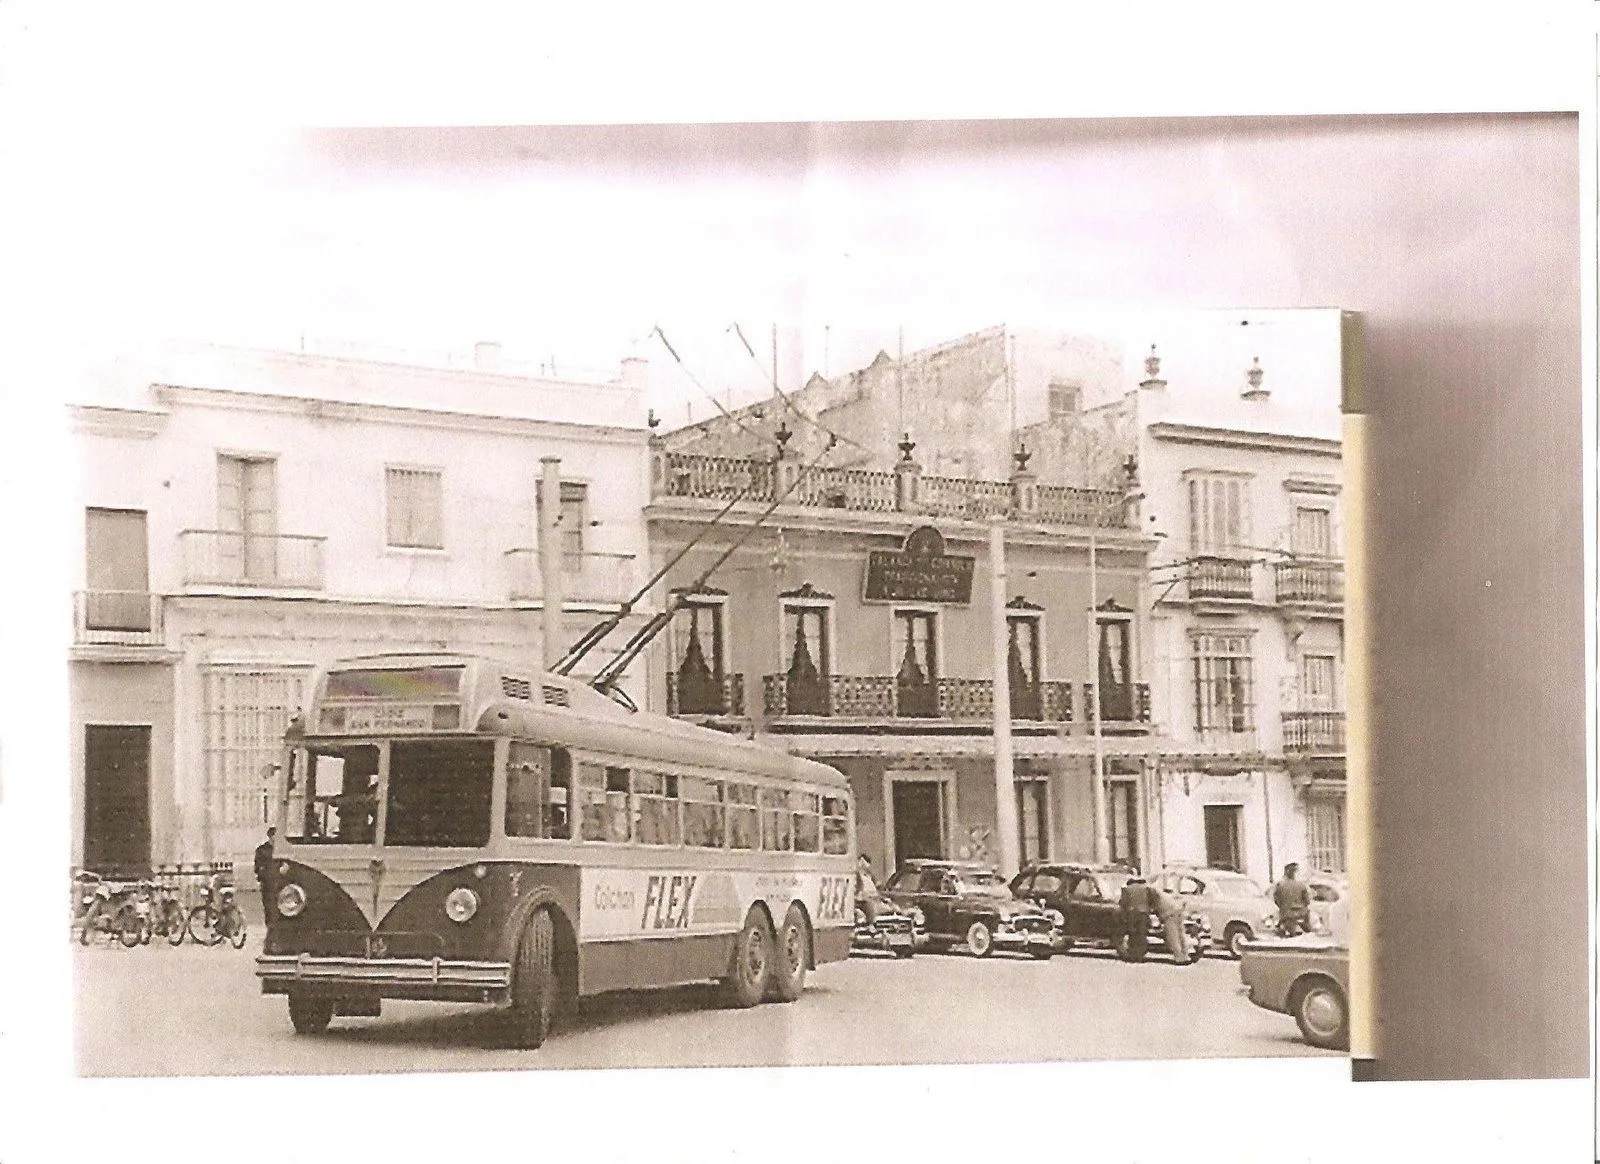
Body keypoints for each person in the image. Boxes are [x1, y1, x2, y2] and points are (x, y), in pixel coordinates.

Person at [1117, 874, 1155, 960]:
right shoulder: (1146, 889)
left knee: (1133, 933)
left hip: (1132, 913)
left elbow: (1123, 902)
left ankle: (1133, 954)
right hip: (1144, 913)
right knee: (1141, 934)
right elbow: (1151, 901)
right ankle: (1140, 954)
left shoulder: (1126, 889)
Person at [1150, 882, 1191, 963]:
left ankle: (1179, 957)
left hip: (1169, 915)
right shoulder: (1164, 895)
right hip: (1178, 911)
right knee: (1181, 935)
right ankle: (1186, 955)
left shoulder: (1156, 895)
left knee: (1173, 936)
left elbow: (1154, 907)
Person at [1272, 862, 1313, 936]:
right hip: (1301, 913)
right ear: (1294, 873)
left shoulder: (1280, 885)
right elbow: (1307, 901)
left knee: (1279, 932)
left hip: (1286, 914)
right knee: (1309, 932)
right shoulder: (1301, 885)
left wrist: (1283, 906)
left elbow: (1276, 900)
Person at [254, 826, 278, 925]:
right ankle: (270, 926)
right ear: (270, 836)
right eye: (274, 836)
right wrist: (261, 878)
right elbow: (257, 867)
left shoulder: (281, 850)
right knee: (268, 906)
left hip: (278, 881)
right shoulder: (262, 850)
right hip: (267, 882)